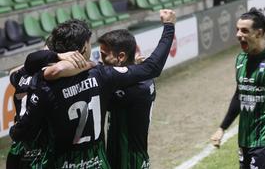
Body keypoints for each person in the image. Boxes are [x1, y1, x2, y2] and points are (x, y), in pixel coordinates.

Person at [9, 9, 176, 168]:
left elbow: (18, 73)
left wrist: (53, 59)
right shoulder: (101, 75)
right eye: (89, 43)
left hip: (60, 162)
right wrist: (169, 26)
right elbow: (152, 68)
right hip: (98, 163)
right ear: (82, 49)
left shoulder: (43, 82)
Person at [7, 49, 86, 169]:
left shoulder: (20, 76)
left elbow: (13, 73)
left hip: (19, 145)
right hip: (39, 146)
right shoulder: (44, 81)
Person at [210, 7, 265, 169]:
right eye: (237, 30)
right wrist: (222, 128)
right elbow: (239, 95)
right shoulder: (241, 59)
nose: (238, 35)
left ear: (258, 33)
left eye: (244, 30)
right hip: (245, 138)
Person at [97, 30, 155, 169]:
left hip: (129, 158)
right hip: (118, 153)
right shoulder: (141, 77)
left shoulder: (136, 87)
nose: (101, 61)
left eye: (104, 56)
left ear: (121, 57)